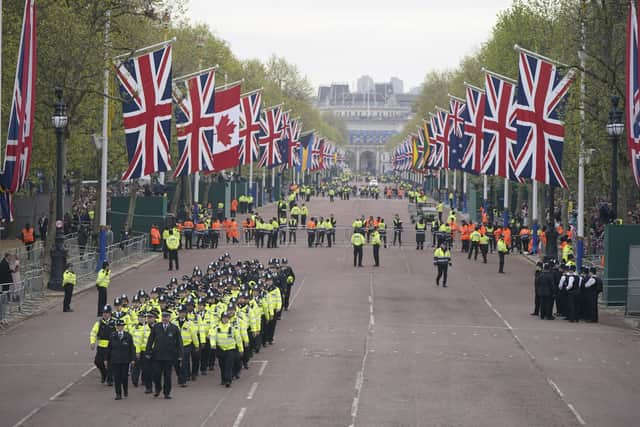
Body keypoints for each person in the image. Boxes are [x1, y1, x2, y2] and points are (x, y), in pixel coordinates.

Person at [145, 311, 183, 399]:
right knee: (156, 374)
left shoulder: (174, 328)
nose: (165, 319)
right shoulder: (156, 327)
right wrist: (148, 352)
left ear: (169, 318)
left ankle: (167, 392)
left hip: (169, 356)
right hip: (157, 355)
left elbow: (179, 342)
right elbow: (150, 340)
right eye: (163, 317)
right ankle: (158, 388)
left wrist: (180, 354)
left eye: (166, 317)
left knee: (167, 375)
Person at [210, 311, 244, 388]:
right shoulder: (216, 327)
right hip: (220, 349)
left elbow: (238, 338)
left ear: (229, 319)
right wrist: (213, 344)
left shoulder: (232, 328)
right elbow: (212, 336)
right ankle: (223, 379)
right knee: (222, 365)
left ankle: (228, 380)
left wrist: (240, 348)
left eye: (227, 318)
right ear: (221, 319)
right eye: (224, 318)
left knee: (229, 365)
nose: (225, 320)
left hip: (230, 349)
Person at [107, 318, 136, 400]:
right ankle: (118, 393)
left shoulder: (128, 336)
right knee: (117, 377)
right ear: (116, 327)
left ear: (123, 327)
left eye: (121, 326)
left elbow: (132, 348)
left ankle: (125, 390)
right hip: (115, 360)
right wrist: (106, 359)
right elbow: (109, 348)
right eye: (118, 326)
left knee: (124, 377)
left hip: (125, 360)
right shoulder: (112, 335)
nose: (120, 327)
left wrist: (133, 359)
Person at [90, 305, 115, 385]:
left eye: (107, 313)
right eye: (104, 313)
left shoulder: (114, 322)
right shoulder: (99, 323)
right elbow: (93, 333)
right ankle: (104, 374)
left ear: (110, 313)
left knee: (110, 363)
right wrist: (92, 342)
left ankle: (110, 379)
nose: (105, 314)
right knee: (98, 362)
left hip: (111, 347)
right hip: (101, 346)